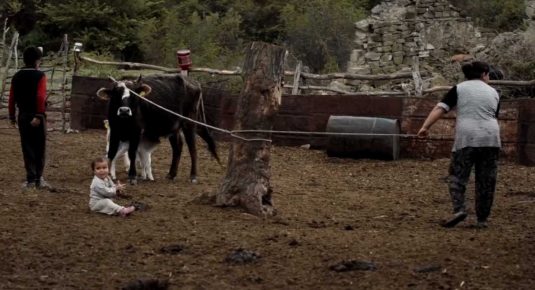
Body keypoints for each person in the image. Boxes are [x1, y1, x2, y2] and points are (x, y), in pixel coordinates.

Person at [417, 61, 501, 229]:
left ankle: (459, 209)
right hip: (491, 138)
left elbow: (440, 109)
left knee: (457, 176)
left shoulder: (459, 88)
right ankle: (482, 219)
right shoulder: (494, 92)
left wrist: (425, 127)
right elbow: (494, 116)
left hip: (467, 138)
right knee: (486, 179)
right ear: (484, 74)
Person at [8, 46, 52, 190]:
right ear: (37, 61)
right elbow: (40, 96)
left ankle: (30, 179)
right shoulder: (40, 76)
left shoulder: (17, 76)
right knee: (39, 147)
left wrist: (12, 117)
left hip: (23, 116)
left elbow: (12, 98)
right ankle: (39, 178)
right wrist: (39, 115)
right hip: (36, 115)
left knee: (27, 147)